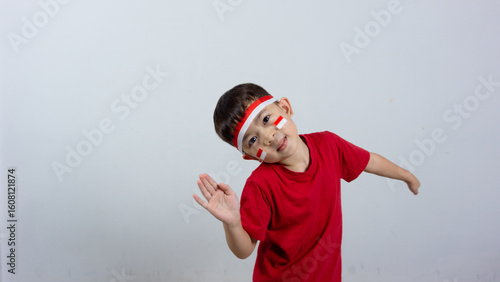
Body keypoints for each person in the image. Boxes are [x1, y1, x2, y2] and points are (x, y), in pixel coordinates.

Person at [193, 83, 420, 281]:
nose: (268, 136)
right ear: (251, 156)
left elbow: (369, 161)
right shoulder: (260, 185)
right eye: (253, 139)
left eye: (266, 119)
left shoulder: (329, 145)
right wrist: (233, 223)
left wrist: (406, 175)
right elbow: (244, 250)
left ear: (285, 107)